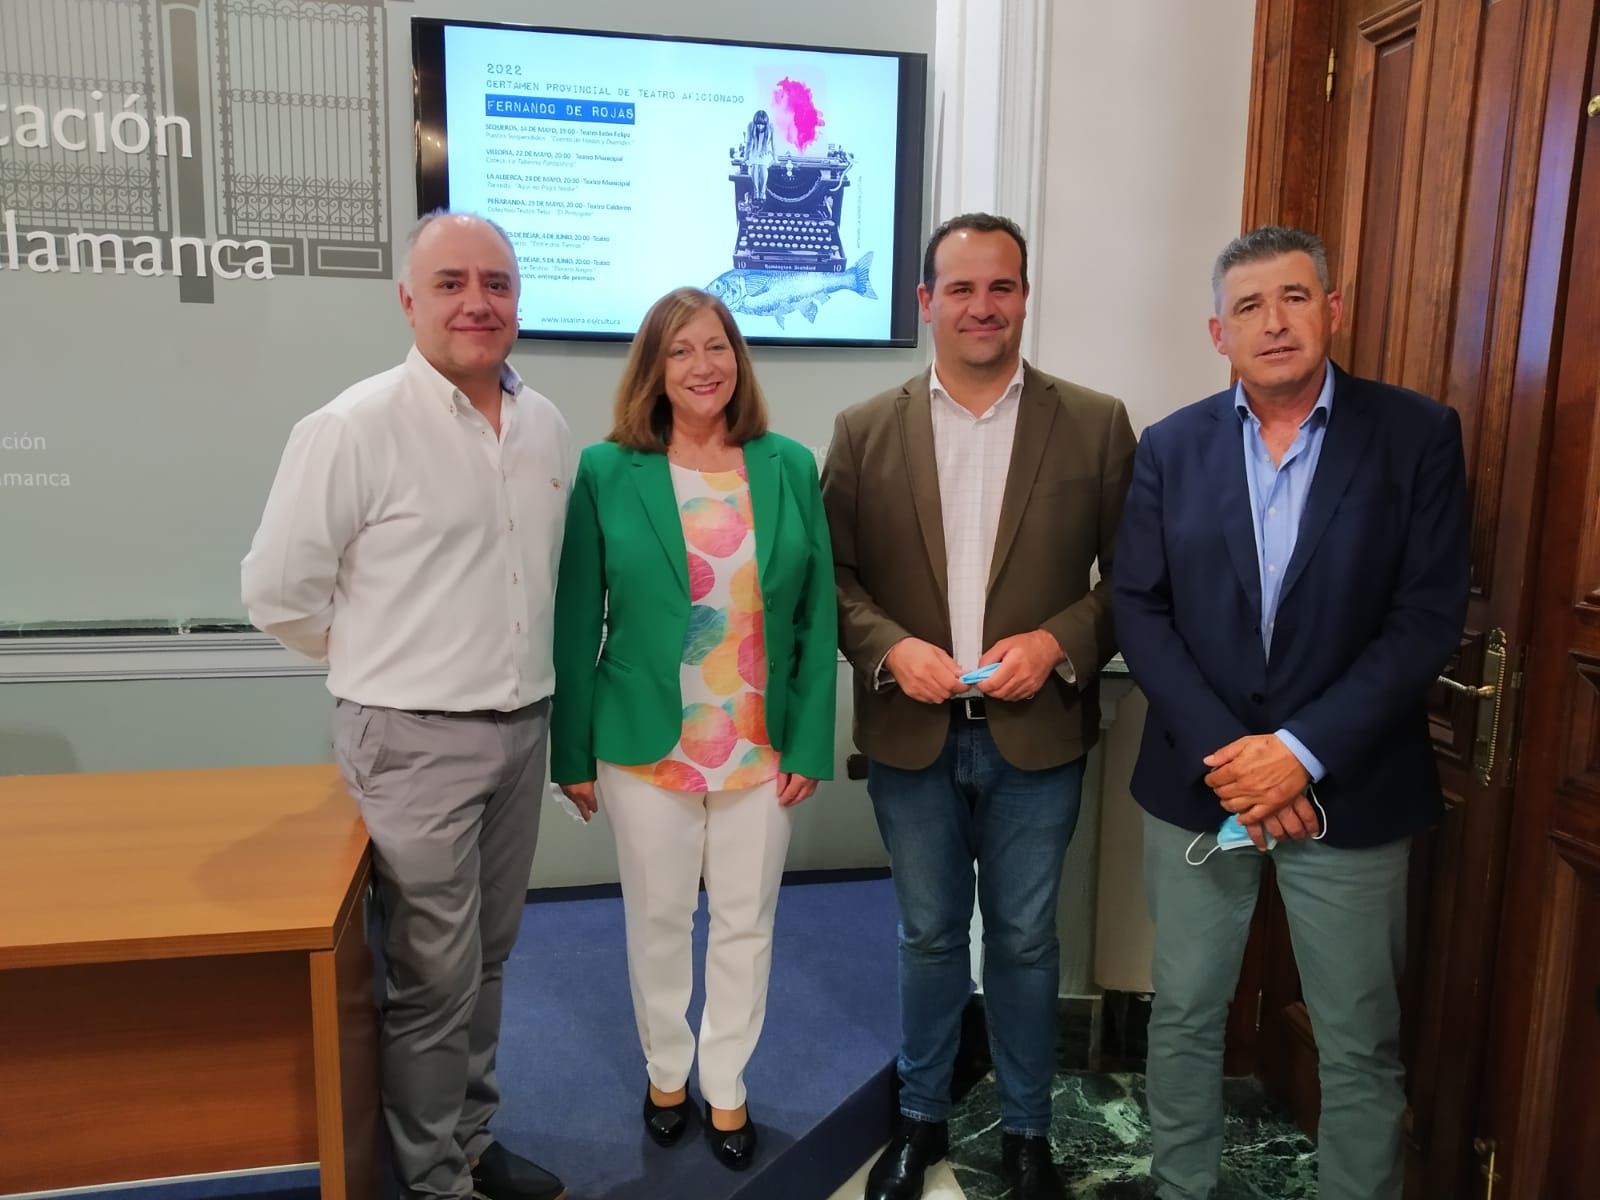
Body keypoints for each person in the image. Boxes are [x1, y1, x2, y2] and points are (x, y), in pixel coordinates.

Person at [1112, 225, 1470, 1200]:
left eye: (1295, 297)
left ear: (1332, 310)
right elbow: (1138, 607)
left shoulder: (1416, 436)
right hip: (1201, 783)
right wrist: (1238, 757)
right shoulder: (1170, 446)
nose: (1273, 322)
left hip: (1353, 786)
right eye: (1249, 306)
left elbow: (1426, 617)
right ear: (1218, 332)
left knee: (1358, 1038)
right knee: (1186, 1016)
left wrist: (1300, 753)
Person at [242, 212, 572, 1200]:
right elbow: (278, 593)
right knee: (433, 976)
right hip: (410, 739)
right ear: (407, 301)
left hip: (521, 730)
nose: (477, 302)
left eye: (496, 283)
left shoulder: (546, 426)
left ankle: (467, 1137)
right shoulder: (353, 426)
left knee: (491, 957)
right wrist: (381, 658)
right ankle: (432, 1182)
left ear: (518, 300)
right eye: (450, 283)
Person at [821, 213, 1136, 1200]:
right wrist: (890, 649)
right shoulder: (863, 430)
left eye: (1001, 286)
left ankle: (1027, 1134)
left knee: (1026, 941)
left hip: (1037, 739)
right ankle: (920, 1121)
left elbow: (1134, 581)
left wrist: (1057, 643)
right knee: (925, 937)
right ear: (926, 302)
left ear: (1025, 297)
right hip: (911, 737)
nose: (981, 306)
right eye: (960, 288)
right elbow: (831, 580)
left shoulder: (1095, 423)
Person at [550, 286, 836, 1172]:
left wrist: (813, 740)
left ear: (737, 360)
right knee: (659, 920)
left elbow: (816, 615)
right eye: (680, 351)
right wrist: (570, 753)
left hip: (761, 743)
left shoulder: (788, 465)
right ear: (654, 369)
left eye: (716, 347)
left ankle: (727, 1082)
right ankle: (666, 1074)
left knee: (747, 923)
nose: (703, 366)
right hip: (645, 745)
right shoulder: (608, 470)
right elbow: (574, 619)